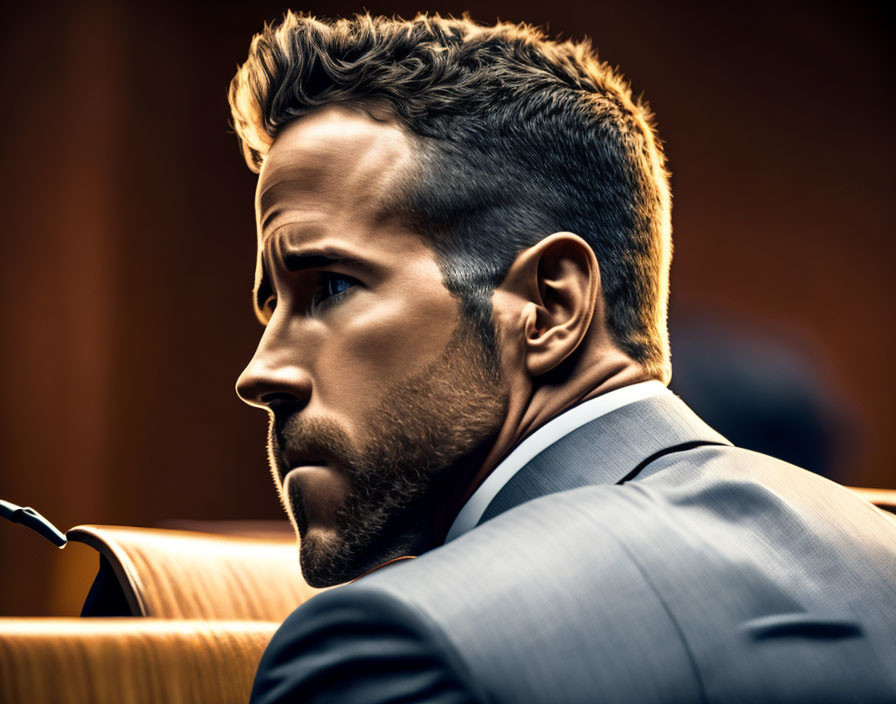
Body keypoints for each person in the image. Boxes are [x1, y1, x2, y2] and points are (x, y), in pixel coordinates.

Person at [229, 12, 896, 703]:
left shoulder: (396, 648)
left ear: (549, 307)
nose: (260, 373)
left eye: (329, 288)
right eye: (269, 306)